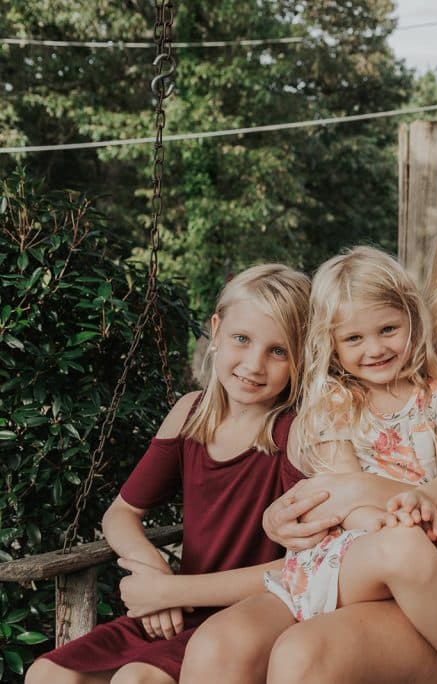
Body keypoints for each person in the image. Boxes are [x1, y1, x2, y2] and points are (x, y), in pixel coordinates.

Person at [181, 167, 437, 684]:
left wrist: (350, 492)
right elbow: (300, 440)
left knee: (303, 658)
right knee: (216, 648)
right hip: (353, 555)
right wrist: (285, 508)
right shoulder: (395, 331)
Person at [26, 264, 311, 684]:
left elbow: (303, 569)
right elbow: (120, 513)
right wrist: (152, 572)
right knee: (47, 673)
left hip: (248, 619)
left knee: (137, 680)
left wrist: (171, 592)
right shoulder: (190, 415)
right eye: (242, 339)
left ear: (302, 357)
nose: (254, 364)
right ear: (215, 331)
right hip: (175, 610)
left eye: (279, 351)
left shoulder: (297, 432)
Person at [264, 245, 437, 684]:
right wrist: (391, 521)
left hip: (425, 533)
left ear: (411, 319)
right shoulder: (335, 405)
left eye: (388, 329)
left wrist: (423, 498)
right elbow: (345, 502)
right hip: (356, 549)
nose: (375, 349)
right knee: (403, 544)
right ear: (331, 345)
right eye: (353, 339)